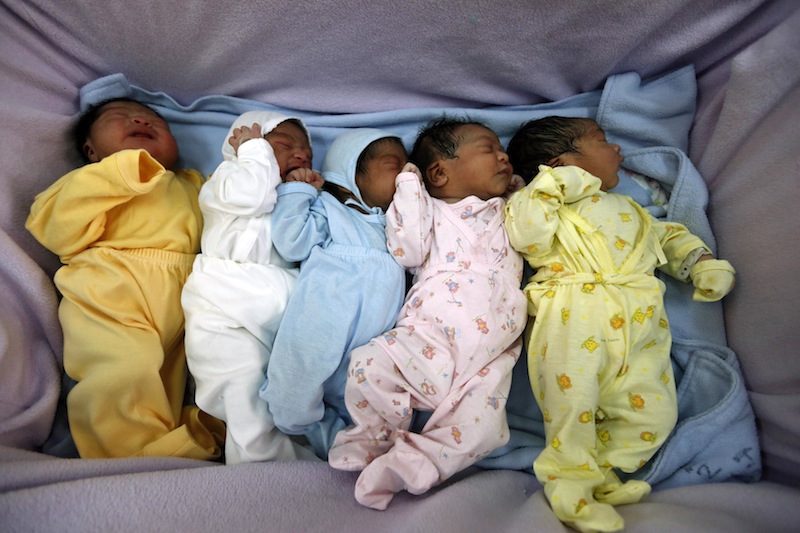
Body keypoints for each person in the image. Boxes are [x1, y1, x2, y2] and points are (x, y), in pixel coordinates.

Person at [503, 116, 736, 532]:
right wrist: (558, 183)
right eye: (602, 141)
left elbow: (666, 237)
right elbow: (528, 237)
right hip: (574, 313)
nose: (617, 150)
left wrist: (702, 263)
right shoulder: (540, 200)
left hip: (640, 324)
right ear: (561, 163)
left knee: (655, 412)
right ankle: (569, 485)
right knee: (572, 409)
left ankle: (606, 474)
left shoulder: (630, 208)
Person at [327, 118, 528, 510]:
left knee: (482, 431)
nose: (505, 156)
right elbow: (408, 252)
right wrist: (408, 188)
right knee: (370, 364)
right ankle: (373, 434)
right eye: (490, 149)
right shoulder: (430, 211)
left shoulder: (511, 209)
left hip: (490, 355)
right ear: (439, 172)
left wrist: (525, 194)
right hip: (429, 336)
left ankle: (414, 465)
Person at [25, 97, 224, 459]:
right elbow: (52, 226)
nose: (141, 120)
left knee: (175, 383)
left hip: (187, 299)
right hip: (112, 292)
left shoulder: (193, 183)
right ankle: (126, 456)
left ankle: (177, 440)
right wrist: (118, 171)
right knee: (123, 370)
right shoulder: (89, 181)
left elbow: (231, 206)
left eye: (156, 122)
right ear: (91, 149)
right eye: (121, 117)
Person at [181, 110, 321, 464]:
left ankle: (315, 451)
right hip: (223, 300)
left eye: (307, 150)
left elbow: (306, 245)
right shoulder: (224, 181)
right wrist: (254, 151)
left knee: (298, 394)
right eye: (284, 145)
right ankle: (264, 467)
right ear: (242, 147)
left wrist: (304, 192)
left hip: (281, 300)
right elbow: (253, 196)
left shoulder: (296, 195)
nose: (301, 154)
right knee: (239, 388)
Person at [260, 128, 408, 460]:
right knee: (293, 395)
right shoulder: (330, 207)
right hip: (323, 319)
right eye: (394, 165)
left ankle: (342, 446)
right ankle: (301, 424)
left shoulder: (398, 226)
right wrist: (297, 191)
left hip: (372, 345)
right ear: (351, 173)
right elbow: (292, 241)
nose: (407, 172)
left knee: (370, 409)